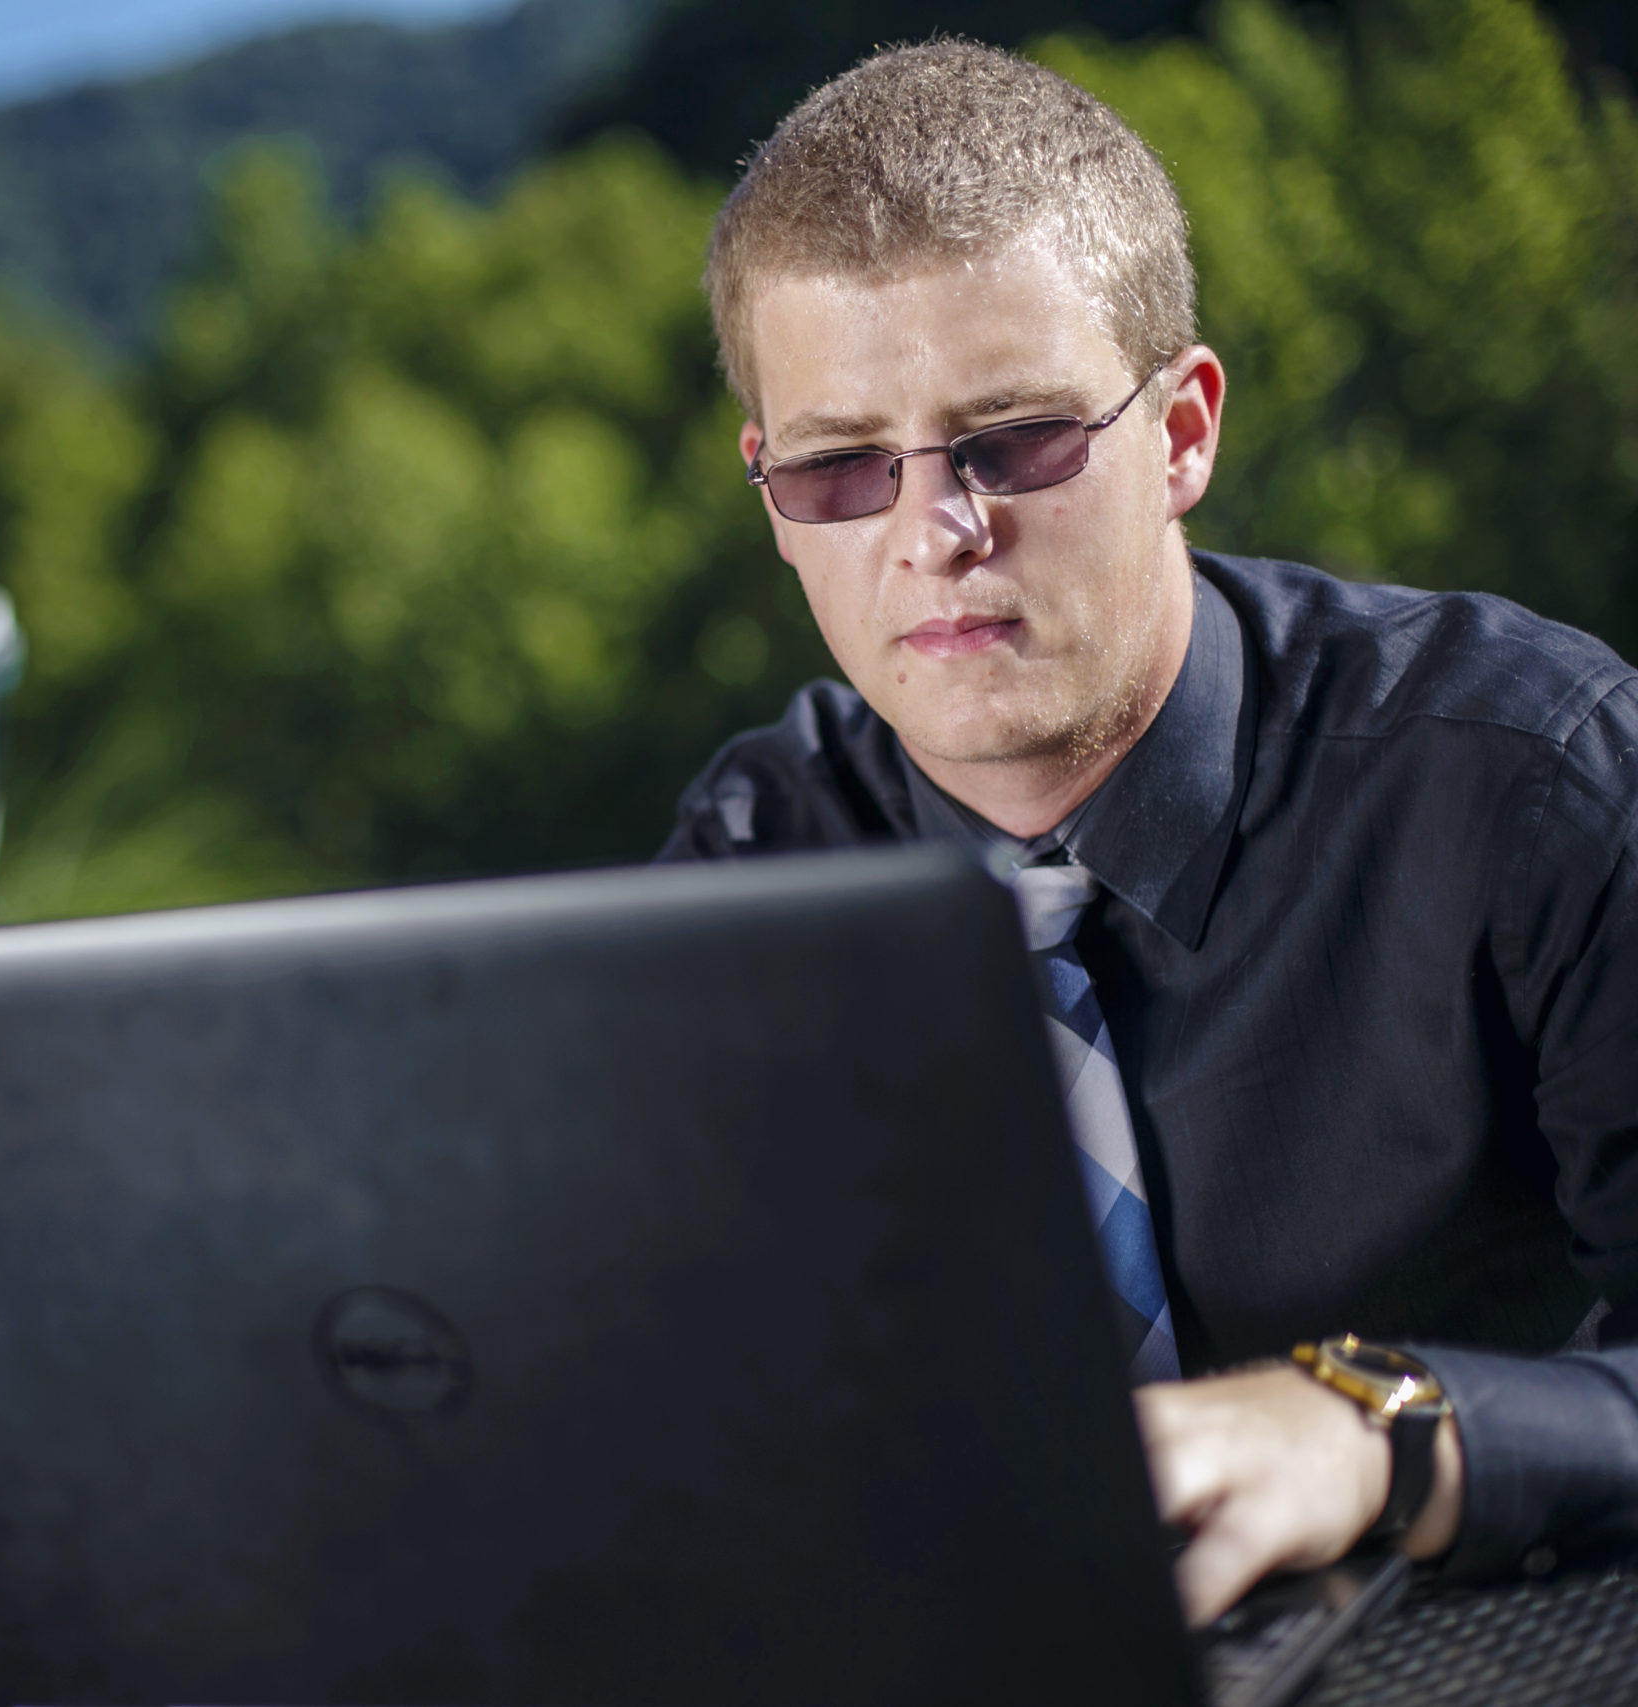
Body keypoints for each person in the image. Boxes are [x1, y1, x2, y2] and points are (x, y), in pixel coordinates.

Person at [661, 41, 1638, 1625]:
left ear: (1181, 433)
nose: (935, 534)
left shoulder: (1531, 778)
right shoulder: (755, 862)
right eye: (843, 466)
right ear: (769, 491)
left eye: (1020, 437)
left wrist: (1386, 1431)